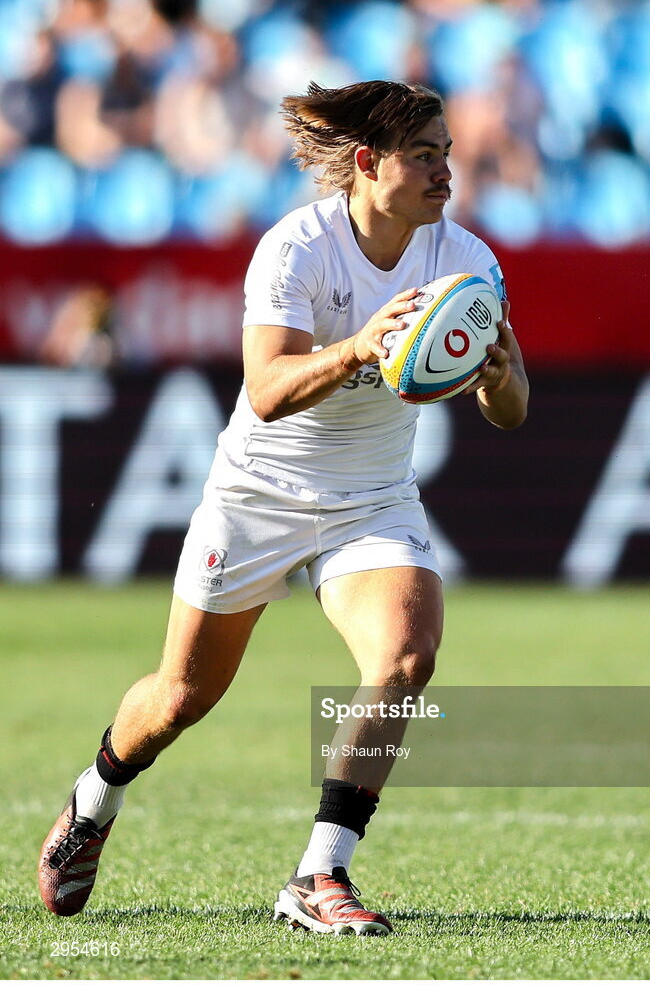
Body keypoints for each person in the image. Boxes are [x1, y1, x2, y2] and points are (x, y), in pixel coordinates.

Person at [38, 79, 528, 936]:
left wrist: (494, 378)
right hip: (257, 494)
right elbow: (264, 392)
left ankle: (319, 873)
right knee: (181, 698)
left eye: (447, 152)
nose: (445, 170)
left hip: (371, 498)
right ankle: (94, 797)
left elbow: (513, 408)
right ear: (369, 164)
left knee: (407, 659)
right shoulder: (295, 247)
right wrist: (361, 345)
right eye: (424, 155)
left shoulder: (468, 262)